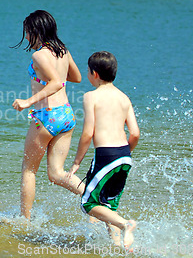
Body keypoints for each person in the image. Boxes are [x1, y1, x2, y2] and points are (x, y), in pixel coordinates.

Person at [12, 10, 84, 220]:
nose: (26, 37)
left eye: (27, 32)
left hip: (46, 116)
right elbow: (76, 77)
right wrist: (57, 73)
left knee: (29, 171)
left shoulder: (39, 55)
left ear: (36, 31)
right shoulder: (63, 51)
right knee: (56, 173)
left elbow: (56, 83)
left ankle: (24, 222)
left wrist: (28, 102)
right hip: (66, 115)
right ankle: (91, 195)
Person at [67, 51, 139, 248]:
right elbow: (135, 133)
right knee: (108, 205)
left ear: (95, 74)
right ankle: (119, 247)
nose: (87, 76)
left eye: (88, 72)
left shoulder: (91, 97)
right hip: (124, 156)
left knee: (88, 203)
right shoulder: (124, 98)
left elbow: (87, 134)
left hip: (107, 155)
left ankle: (126, 225)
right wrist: (124, 153)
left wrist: (76, 163)